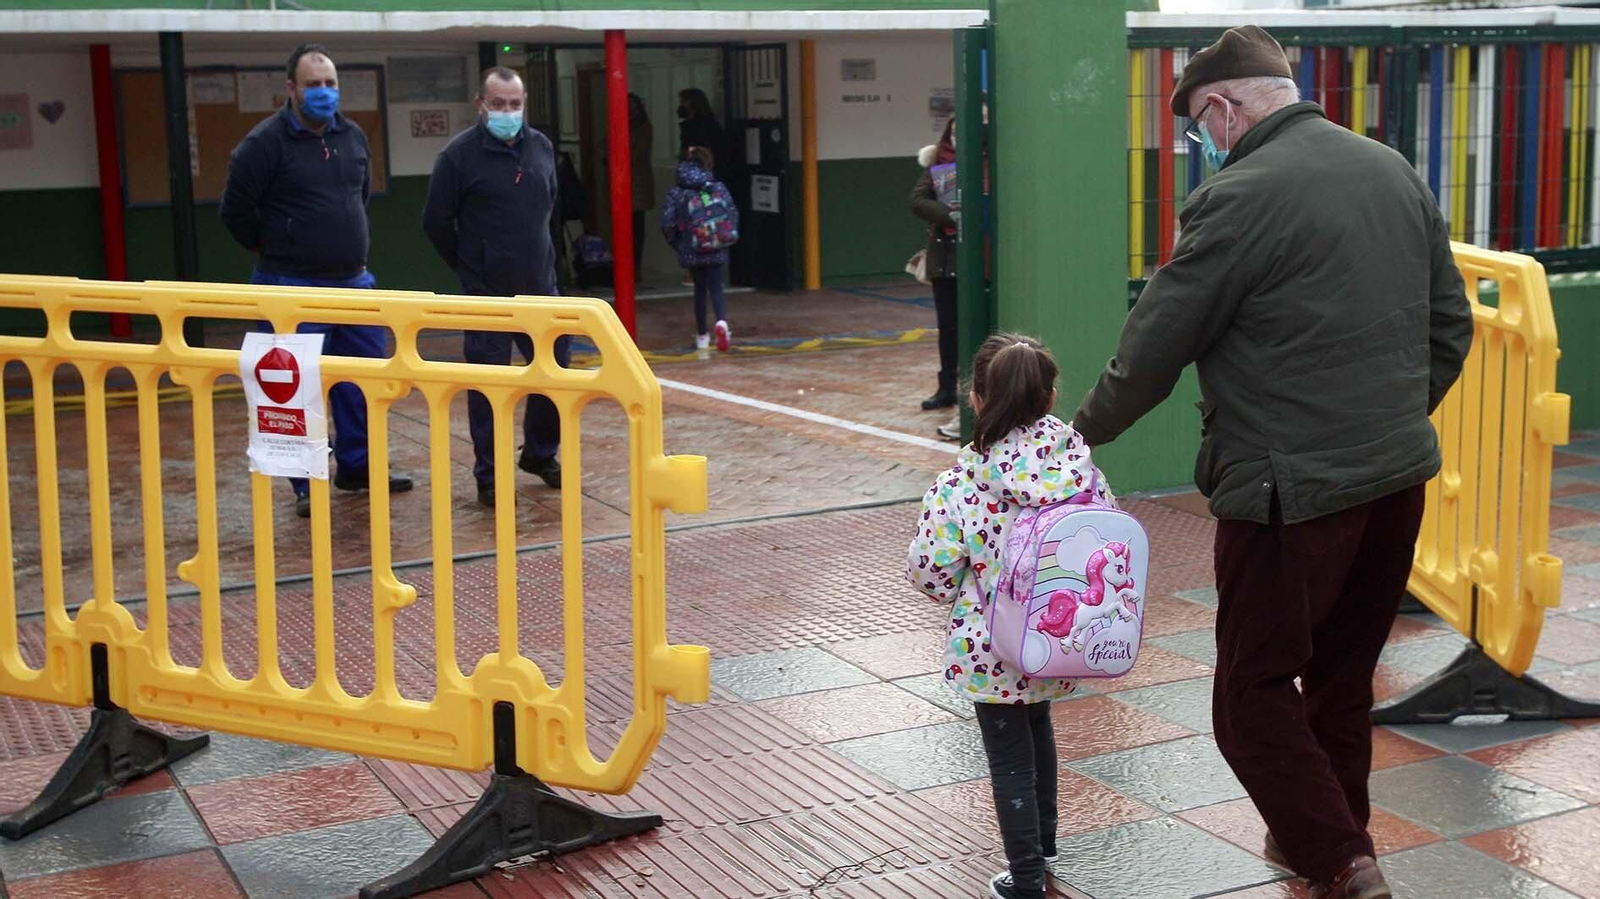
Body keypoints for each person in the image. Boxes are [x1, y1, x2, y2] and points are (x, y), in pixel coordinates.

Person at [1069, 26, 1472, 899]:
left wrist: (1077, 433)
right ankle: (1322, 840)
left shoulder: (1238, 195)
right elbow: (1451, 327)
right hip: (1398, 477)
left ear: (1222, 106)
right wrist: (1388, 421)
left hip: (1288, 492)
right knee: (1341, 676)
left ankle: (1341, 860)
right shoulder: (1390, 167)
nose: (1205, 143)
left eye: (1201, 126)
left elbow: (1153, 348)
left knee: (1250, 695)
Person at [907, 334, 1114, 899]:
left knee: (1008, 757)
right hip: (1058, 636)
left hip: (991, 647)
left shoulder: (961, 482)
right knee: (1039, 726)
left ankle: (1025, 879)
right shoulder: (1080, 470)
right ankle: (1043, 850)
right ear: (1049, 398)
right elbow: (1107, 534)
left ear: (978, 398)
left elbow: (933, 575)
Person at [219, 42, 413, 519]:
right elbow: (236, 214)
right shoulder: (263, 144)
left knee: (362, 381)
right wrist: (278, 247)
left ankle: (358, 468)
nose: (324, 93)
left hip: (354, 283)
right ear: (291, 89)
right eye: (313, 85)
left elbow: (358, 195)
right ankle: (305, 482)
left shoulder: (351, 136)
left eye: (330, 84)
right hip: (289, 287)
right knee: (292, 387)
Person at [421, 66, 569, 509]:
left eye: (516, 104)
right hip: (487, 295)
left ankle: (540, 454)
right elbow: (435, 222)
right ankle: (490, 474)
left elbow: (550, 206)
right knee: (489, 387)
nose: (508, 112)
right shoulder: (457, 156)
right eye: (499, 104)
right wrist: (470, 270)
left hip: (541, 291)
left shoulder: (540, 147)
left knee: (555, 376)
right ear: (481, 105)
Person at [660, 146, 739, 353]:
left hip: (692, 248)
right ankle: (722, 322)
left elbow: (667, 224)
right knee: (716, 287)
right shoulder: (717, 187)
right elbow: (732, 214)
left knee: (699, 290)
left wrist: (679, 244)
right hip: (717, 245)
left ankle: (702, 335)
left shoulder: (677, 192)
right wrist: (724, 237)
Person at [911, 118, 960, 428]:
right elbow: (917, 200)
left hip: (980, 259)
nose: (958, 137)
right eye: (953, 131)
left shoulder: (991, 162)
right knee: (948, 326)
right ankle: (947, 387)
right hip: (945, 258)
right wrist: (950, 215)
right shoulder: (936, 166)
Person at [628, 93, 655, 282]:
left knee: (637, 227)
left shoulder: (644, 128)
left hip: (637, 182)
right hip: (623, 182)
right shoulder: (618, 124)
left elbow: (638, 153)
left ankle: (635, 268)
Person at [676, 88, 725, 180]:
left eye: (684, 101)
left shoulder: (706, 125)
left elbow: (706, 148)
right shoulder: (689, 125)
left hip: (703, 170)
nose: (681, 104)